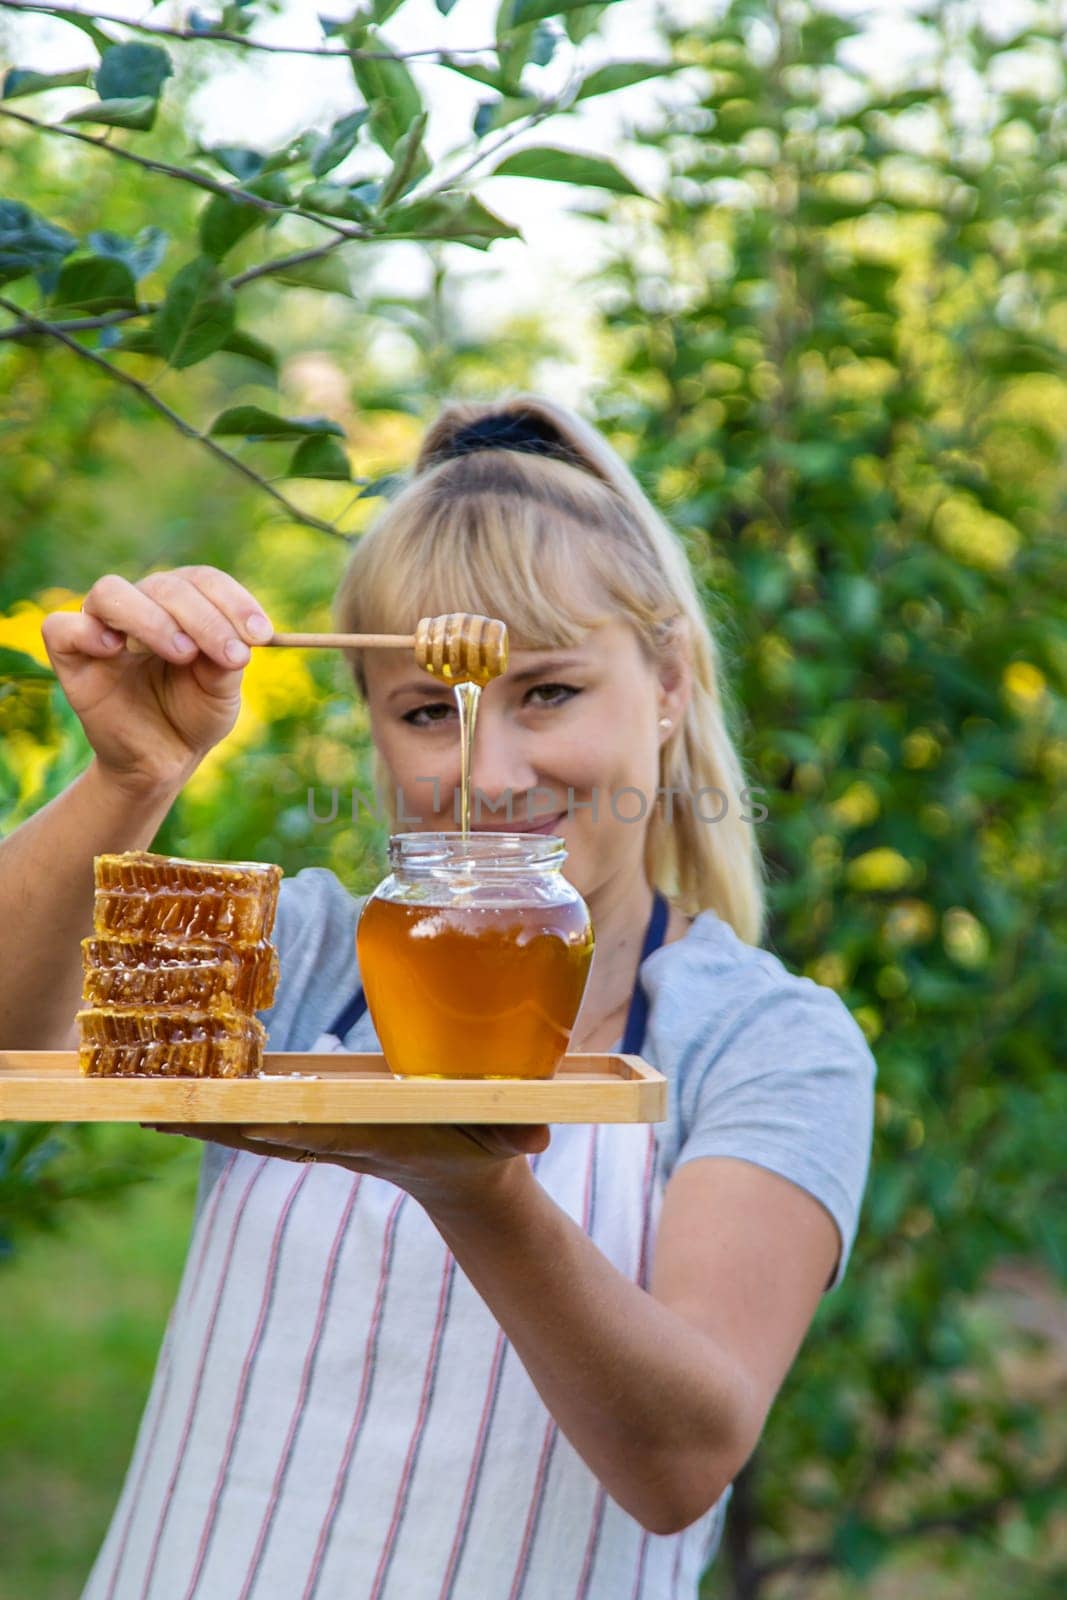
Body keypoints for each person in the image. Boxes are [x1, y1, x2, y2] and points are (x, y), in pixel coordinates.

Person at [1, 393, 876, 1599]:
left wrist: (468, 1183)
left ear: (668, 682)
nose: (490, 772)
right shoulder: (313, 949)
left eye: (551, 692)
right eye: (429, 711)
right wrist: (130, 775)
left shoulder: (760, 1041)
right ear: (374, 728)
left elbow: (682, 1458)